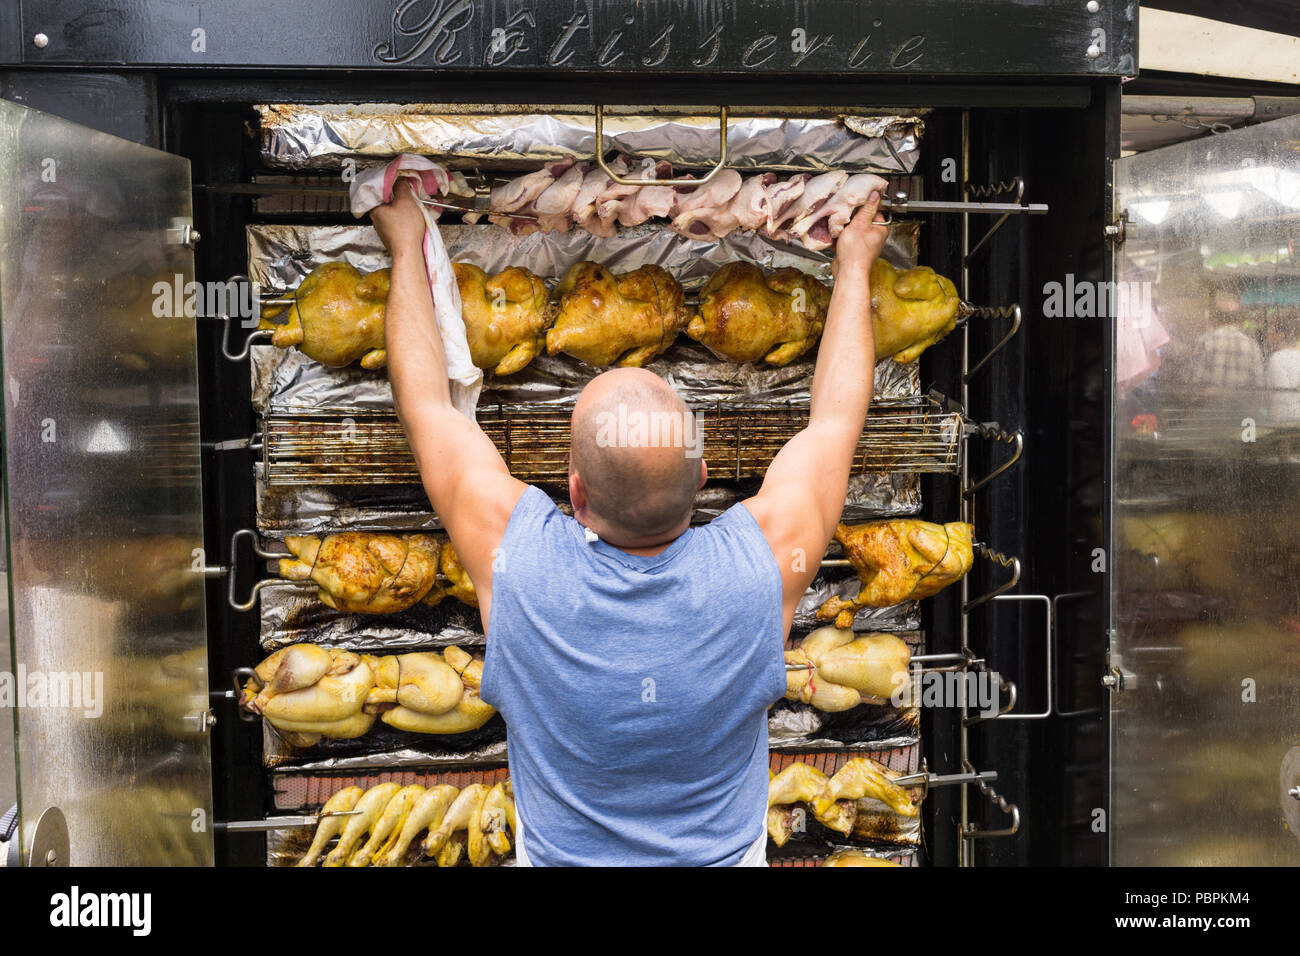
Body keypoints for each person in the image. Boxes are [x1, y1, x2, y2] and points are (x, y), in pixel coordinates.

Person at [369, 181, 888, 866]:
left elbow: (428, 408)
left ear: (574, 495)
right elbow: (835, 422)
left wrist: (408, 245)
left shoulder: (519, 564)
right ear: (704, 482)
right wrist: (854, 263)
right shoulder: (759, 567)